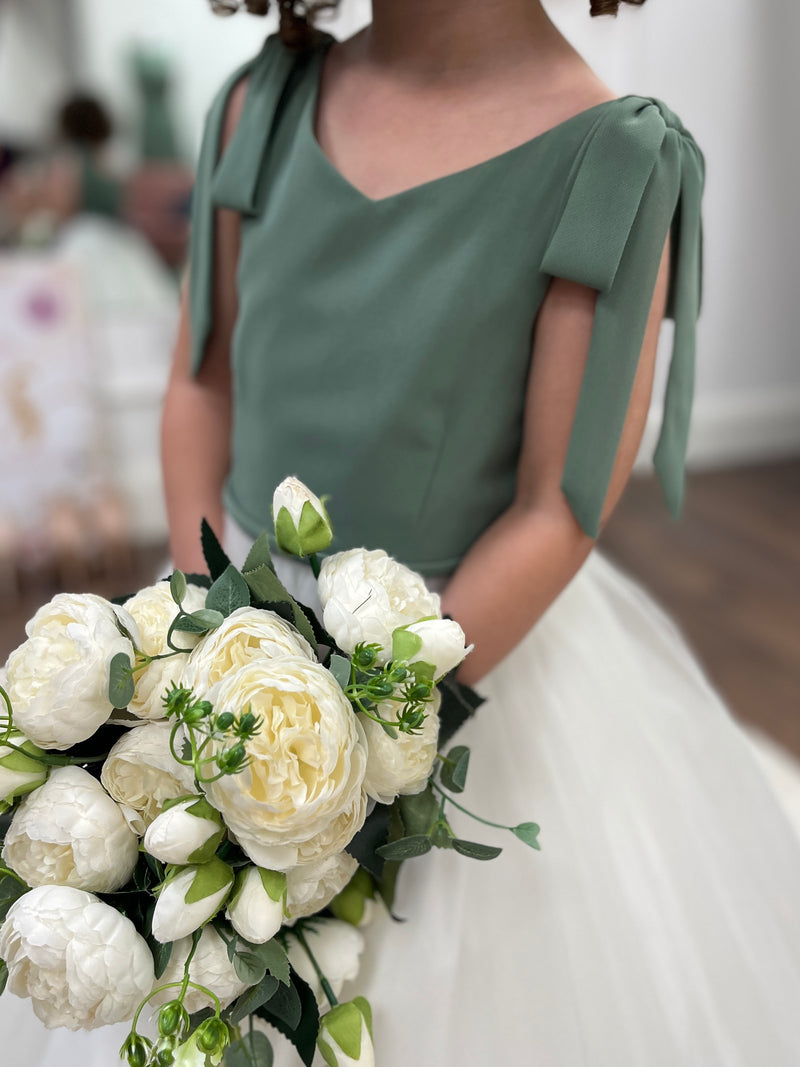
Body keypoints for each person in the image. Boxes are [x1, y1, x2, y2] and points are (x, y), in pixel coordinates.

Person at [9, 0, 800, 1064]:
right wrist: (194, 632)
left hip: (445, 660)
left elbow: (554, 506)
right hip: (216, 617)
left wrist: (356, 749)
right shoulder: (264, 99)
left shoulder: (611, 158)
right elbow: (201, 380)